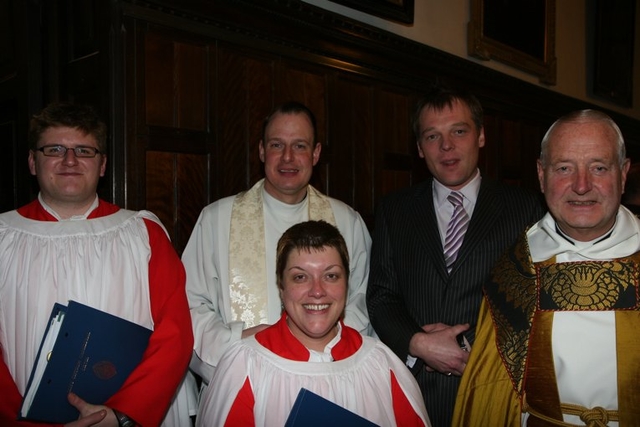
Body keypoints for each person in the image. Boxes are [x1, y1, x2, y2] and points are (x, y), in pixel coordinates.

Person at [0, 103, 195, 427]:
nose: (70, 160)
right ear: (33, 162)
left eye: (84, 151)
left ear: (102, 165)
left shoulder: (142, 233)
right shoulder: (4, 236)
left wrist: (121, 414)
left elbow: (175, 334)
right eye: (55, 149)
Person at [366, 83, 546, 426]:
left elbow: (533, 301)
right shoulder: (394, 210)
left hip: (492, 389)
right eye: (432, 136)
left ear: (480, 136)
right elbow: (381, 296)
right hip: (410, 390)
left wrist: (465, 345)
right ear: (419, 148)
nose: (446, 146)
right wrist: (418, 343)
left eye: (458, 131)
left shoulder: (524, 209)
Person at [453, 109, 639, 426]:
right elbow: (491, 391)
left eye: (598, 167)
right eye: (564, 168)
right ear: (541, 175)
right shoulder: (516, 269)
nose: (582, 186)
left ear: (623, 173)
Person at [183, 101, 372, 388]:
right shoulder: (215, 220)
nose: (287, 158)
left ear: (316, 153)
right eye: (276, 145)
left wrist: (321, 350)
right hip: (244, 377)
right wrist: (239, 341)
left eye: (299, 146)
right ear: (261, 150)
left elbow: (363, 301)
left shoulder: (347, 221)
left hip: (327, 379)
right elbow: (190, 304)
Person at [196, 220, 430, 426]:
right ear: (281, 286)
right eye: (300, 277)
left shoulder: (381, 364)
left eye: (331, 276)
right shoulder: (244, 365)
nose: (317, 291)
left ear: (347, 284)